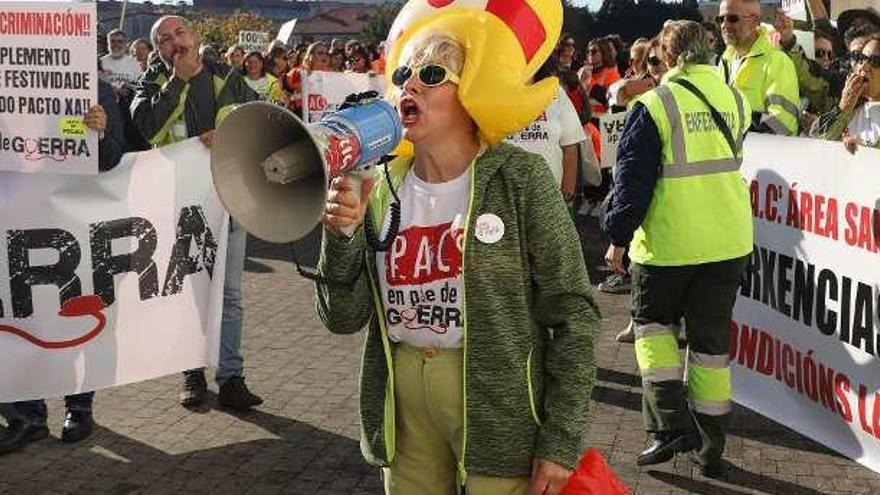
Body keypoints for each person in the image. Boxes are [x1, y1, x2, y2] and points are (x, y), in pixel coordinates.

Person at [316, 32, 599, 495]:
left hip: (498, 407)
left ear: (472, 95)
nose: (411, 86)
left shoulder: (519, 179)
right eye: (404, 75)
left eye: (432, 76)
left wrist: (560, 438)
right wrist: (342, 234)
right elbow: (343, 318)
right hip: (406, 410)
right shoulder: (383, 185)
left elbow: (574, 312)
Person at [602, 20, 753, 478]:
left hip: (668, 247)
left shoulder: (654, 105)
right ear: (709, 53)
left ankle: (669, 427)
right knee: (711, 347)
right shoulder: (736, 99)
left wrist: (617, 236)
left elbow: (632, 182)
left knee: (653, 332)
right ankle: (710, 450)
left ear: (666, 58)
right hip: (727, 243)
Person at [131, 15, 263, 411]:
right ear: (158, 50)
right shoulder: (152, 84)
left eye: (180, 33)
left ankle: (231, 377)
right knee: (188, 294)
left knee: (230, 295)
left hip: (229, 201)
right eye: (165, 39)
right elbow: (147, 125)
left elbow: (258, 120)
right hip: (179, 206)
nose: (176, 42)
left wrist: (230, 135)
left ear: (195, 36)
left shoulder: (227, 76)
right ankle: (192, 375)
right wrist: (177, 81)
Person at [0, 78, 126, 456]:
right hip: (19, 222)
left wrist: (101, 134)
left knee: (80, 314)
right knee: (25, 319)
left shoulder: (99, 92)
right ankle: (28, 416)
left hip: (74, 223)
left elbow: (115, 155)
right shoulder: (8, 86)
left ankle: (80, 408)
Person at [507, 55, 587, 208]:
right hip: (505, 203)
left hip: (549, 203)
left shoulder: (555, 92)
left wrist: (567, 199)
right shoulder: (491, 96)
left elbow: (570, 147)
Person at [717, 0, 799, 135]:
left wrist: (734, 124)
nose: (724, 25)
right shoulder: (725, 59)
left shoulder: (777, 61)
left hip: (763, 154)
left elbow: (783, 124)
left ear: (754, 21)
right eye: (720, 19)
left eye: (732, 19)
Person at [811, 33, 880, 152]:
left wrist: (864, 147)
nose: (864, 66)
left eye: (875, 61)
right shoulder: (850, 106)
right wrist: (843, 109)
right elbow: (816, 141)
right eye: (861, 58)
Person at [580, 39, 622, 117]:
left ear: (603, 53)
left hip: (601, 120)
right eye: (588, 51)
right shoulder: (582, 71)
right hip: (583, 118)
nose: (590, 54)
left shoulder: (612, 74)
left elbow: (615, 102)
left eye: (594, 51)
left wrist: (593, 90)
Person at [100, 29, 143, 99]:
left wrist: (129, 90)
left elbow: (140, 85)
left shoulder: (134, 63)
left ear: (126, 44)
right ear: (108, 43)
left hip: (127, 104)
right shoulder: (99, 63)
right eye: (113, 41)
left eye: (120, 41)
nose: (116, 44)